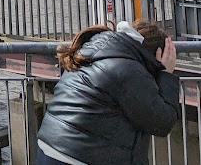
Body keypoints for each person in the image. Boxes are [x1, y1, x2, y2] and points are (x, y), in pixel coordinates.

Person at [37, 20, 181, 165]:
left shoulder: (91, 51)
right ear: (155, 56)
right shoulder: (129, 70)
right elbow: (161, 122)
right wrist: (166, 74)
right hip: (78, 157)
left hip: (50, 148)